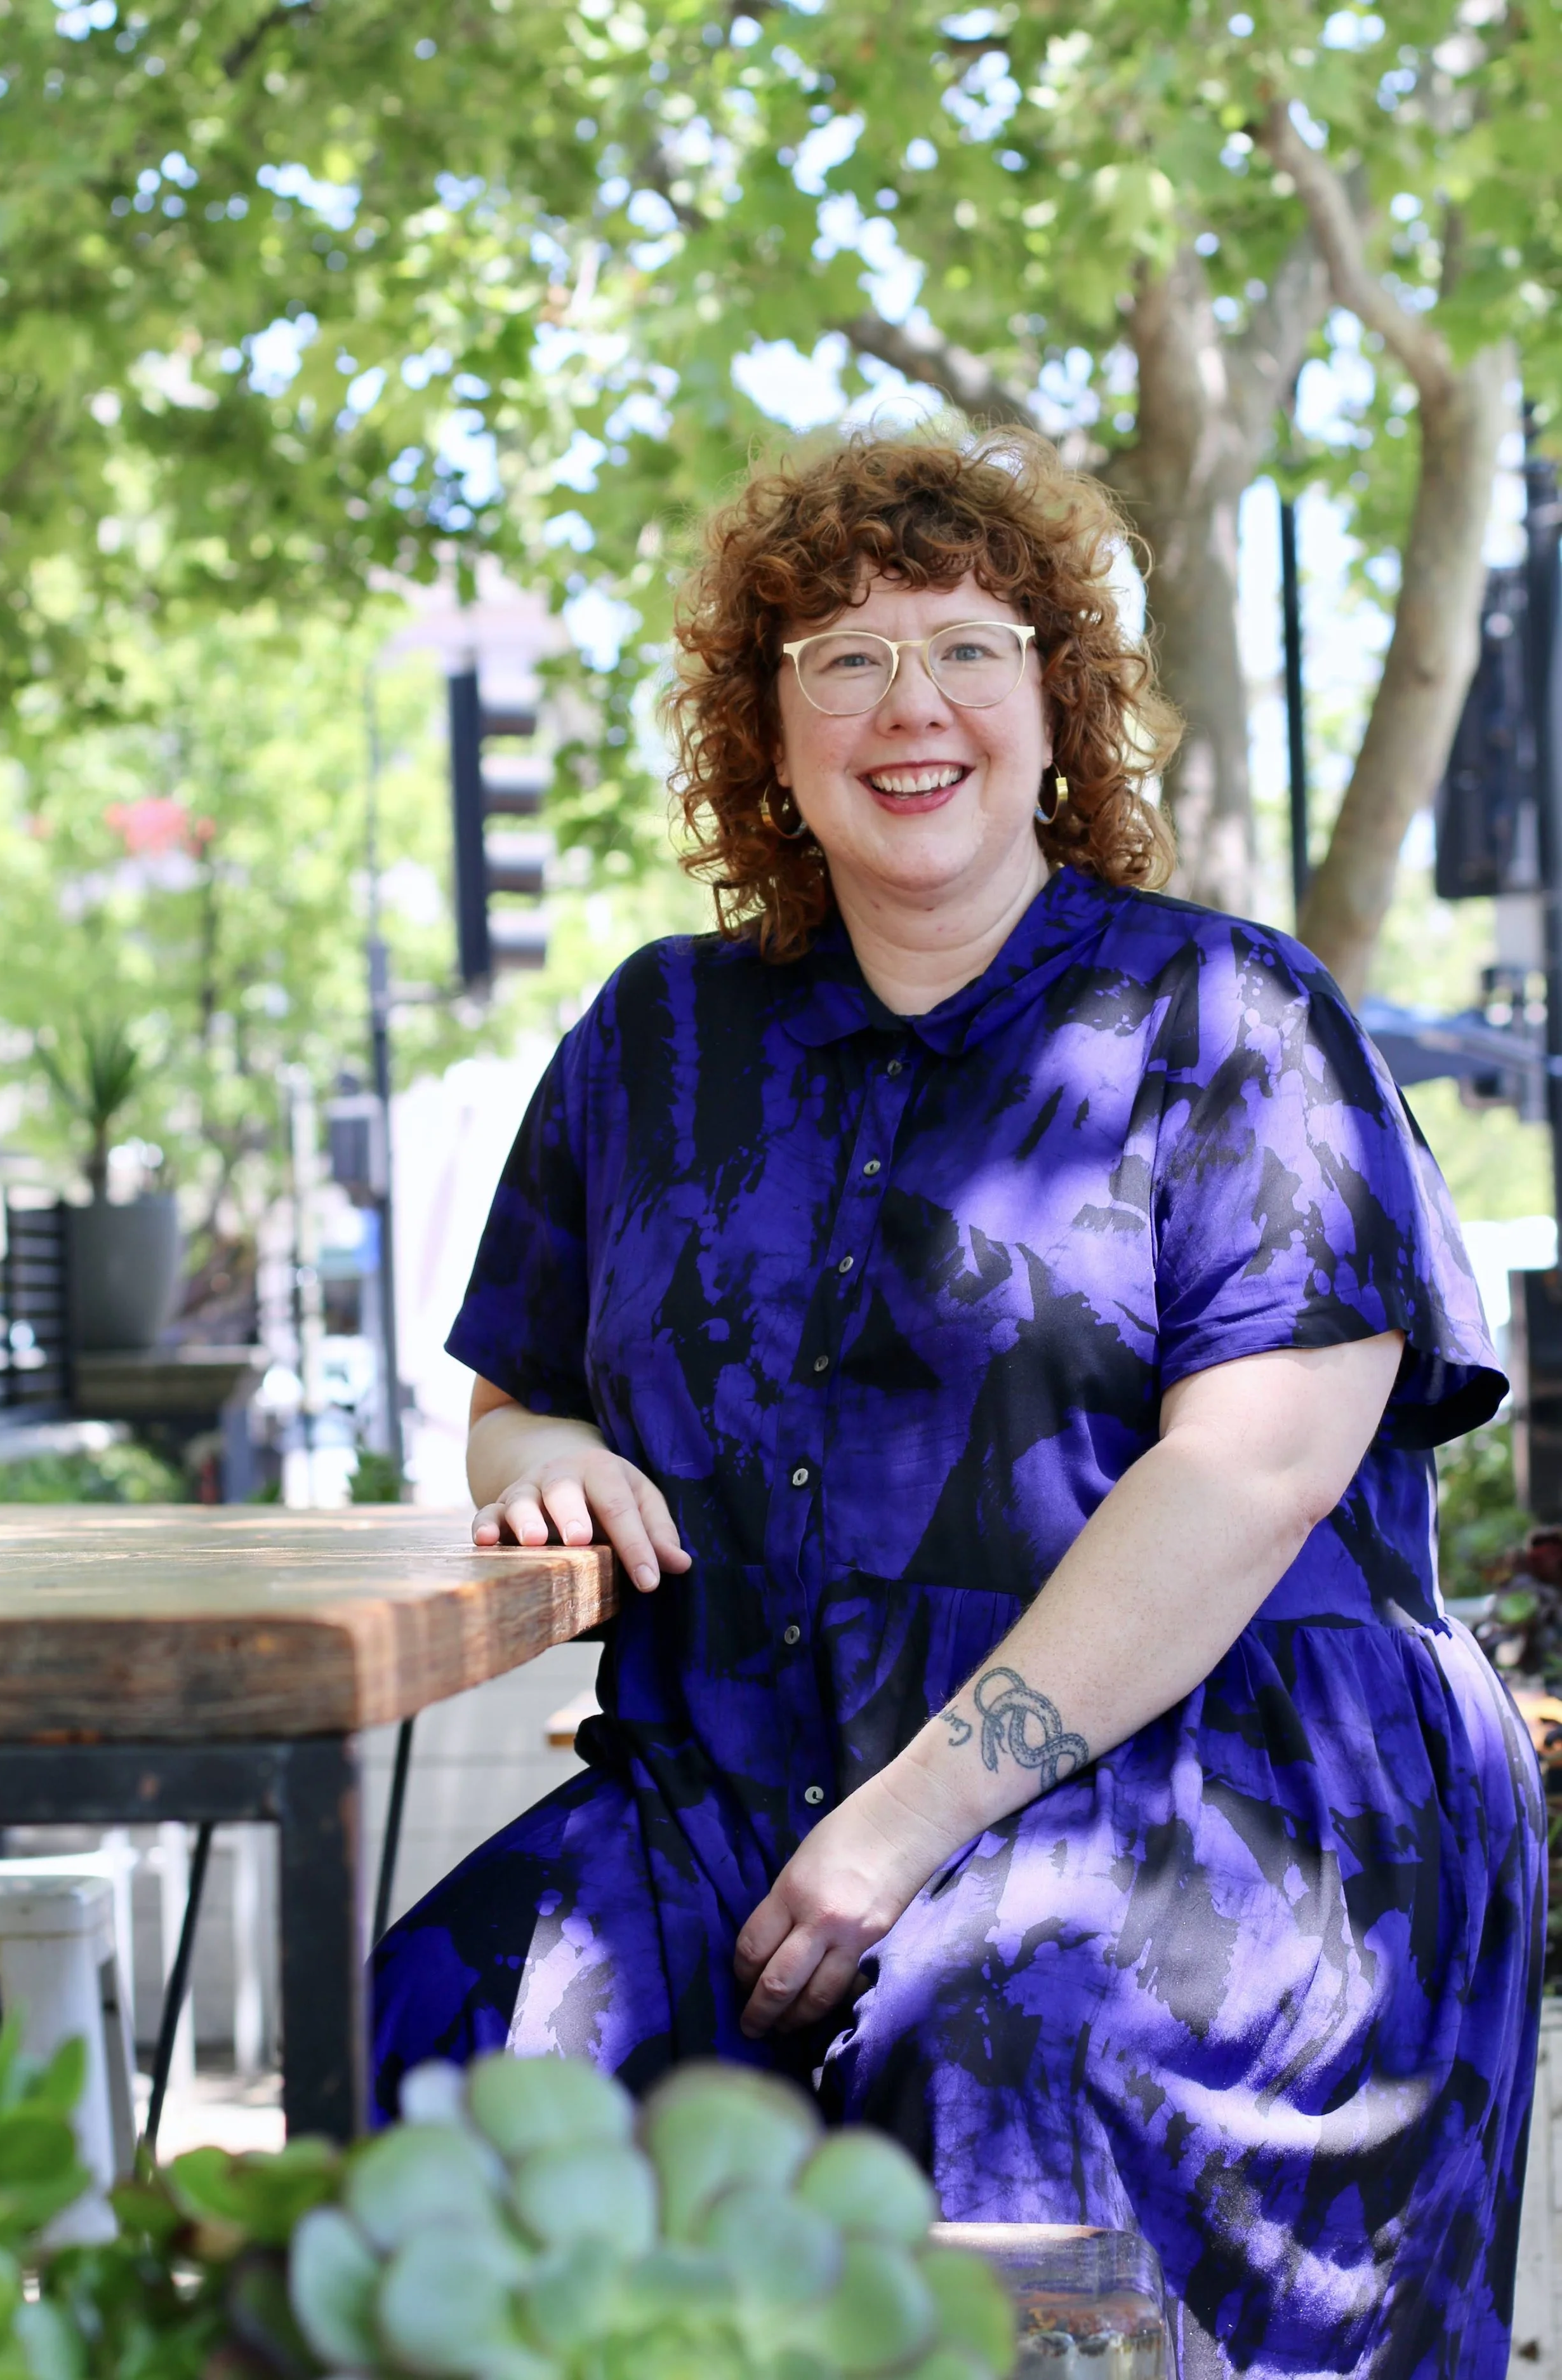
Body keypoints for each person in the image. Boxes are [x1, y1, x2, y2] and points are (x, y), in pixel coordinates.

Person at [373, 428, 1543, 2377]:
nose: (908, 702)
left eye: (966, 648)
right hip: (743, 1770)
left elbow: (1251, 1479)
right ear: (766, 731)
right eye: (841, 657)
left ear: (1053, 703)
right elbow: (513, 1402)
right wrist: (548, 1450)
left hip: (1211, 1777)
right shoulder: (653, 1036)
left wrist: (891, 1834)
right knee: (457, 2022)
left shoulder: (1233, 1019)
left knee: (1001, 2045)